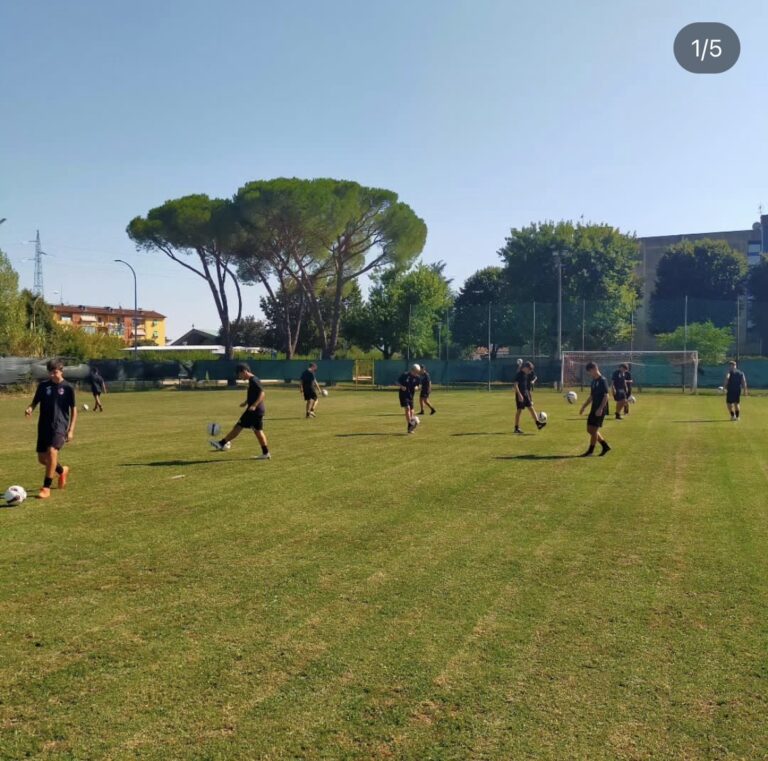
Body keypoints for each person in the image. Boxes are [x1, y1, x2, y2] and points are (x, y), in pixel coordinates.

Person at [25, 358, 77, 499]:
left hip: (59, 425)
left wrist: (71, 430)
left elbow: (74, 410)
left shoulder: (68, 388)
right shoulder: (43, 386)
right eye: (50, 373)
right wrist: (30, 408)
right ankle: (62, 470)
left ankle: (46, 487)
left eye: (55, 372)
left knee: (52, 452)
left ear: (61, 371)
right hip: (43, 425)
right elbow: (35, 402)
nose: (52, 375)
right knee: (42, 459)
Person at [210, 363, 271, 459]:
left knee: (239, 426)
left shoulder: (254, 380)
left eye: (239, 374)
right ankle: (266, 453)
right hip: (256, 410)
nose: (239, 377)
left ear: (244, 371)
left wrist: (254, 405)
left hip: (254, 410)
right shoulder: (252, 380)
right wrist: (246, 402)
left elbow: (262, 393)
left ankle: (222, 443)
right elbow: (254, 394)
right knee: (257, 431)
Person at [579, 361, 611, 456]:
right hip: (594, 408)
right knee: (589, 429)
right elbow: (591, 396)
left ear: (594, 369)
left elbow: (606, 396)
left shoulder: (603, 380)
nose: (589, 373)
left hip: (600, 409)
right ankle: (605, 446)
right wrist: (583, 406)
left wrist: (600, 408)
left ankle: (590, 451)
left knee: (594, 431)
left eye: (589, 371)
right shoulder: (593, 381)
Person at [513, 361, 546, 434]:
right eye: (529, 369)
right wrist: (519, 395)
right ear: (525, 368)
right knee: (519, 411)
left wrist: (527, 393)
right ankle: (516, 428)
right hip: (520, 395)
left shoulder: (525, 374)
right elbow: (515, 385)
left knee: (531, 408)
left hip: (525, 393)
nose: (530, 371)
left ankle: (538, 424)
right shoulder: (519, 374)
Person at [398, 363, 422, 434]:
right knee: (407, 408)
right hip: (403, 395)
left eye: (418, 372)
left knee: (412, 411)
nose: (417, 373)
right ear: (413, 370)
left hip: (411, 396)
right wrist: (401, 386)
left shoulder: (417, 377)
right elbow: (397, 382)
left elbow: (419, 385)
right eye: (416, 372)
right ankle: (410, 424)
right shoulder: (405, 375)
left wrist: (417, 387)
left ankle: (411, 426)